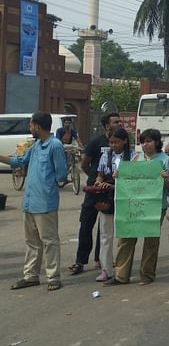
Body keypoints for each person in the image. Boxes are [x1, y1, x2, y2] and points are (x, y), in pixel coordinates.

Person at [1, 112, 67, 291]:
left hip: (45, 202)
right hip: (30, 202)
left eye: (31, 125)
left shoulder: (55, 146)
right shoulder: (36, 145)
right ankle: (30, 276)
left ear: (37, 126)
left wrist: (46, 185)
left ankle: (53, 277)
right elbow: (19, 161)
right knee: (32, 242)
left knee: (49, 241)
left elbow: (61, 173)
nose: (30, 128)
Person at [104, 128, 169, 286]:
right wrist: (119, 176)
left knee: (151, 241)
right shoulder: (137, 159)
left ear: (156, 142)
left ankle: (147, 274)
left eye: (148, 141)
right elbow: (128, 181)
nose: (145, 145)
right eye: (142, 142)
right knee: (126, 238)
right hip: (133, 206)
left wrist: (166, 181)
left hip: (156, 207)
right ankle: (121, 275)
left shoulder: (166, 160)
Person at [69, 112, 121, 276]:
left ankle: (101, 259)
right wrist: (95, 178)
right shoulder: (96, 142)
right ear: (107, 126)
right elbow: (84, 164)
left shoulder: (122, 143)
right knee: (86, 224)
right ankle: (80, 261)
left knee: (105, 227)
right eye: (116, 121)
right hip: (94, 190)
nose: (119, 123)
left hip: (110, 191)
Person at [93, 127, 134, 283]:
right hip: (107, 199)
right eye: (111, 142)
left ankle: (123, 269)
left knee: (125, 236)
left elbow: (135, 180)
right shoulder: (106, 155)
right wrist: (99, 183)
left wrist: (117, 185)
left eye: (116, 142)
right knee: (105, 235)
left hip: (126, 199)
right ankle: (106, 269)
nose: (113, 145)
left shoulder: (133, 157)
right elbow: (99, 175)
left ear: (124, 141)